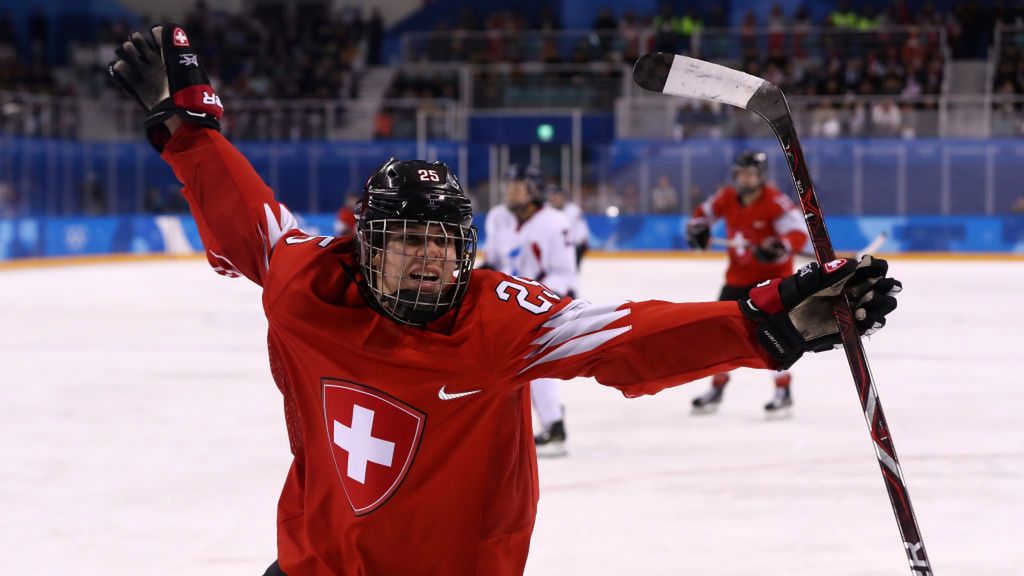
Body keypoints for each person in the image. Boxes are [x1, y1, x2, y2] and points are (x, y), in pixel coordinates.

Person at [109, 24, 902, 576]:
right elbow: (247, 212)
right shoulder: (306, 285)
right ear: (364, 246)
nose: (427, 259)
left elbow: (622, 334)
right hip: (316, 565)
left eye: (442, 243)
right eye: (406, 241)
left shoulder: (495, 320)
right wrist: (188, 130)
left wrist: (764, 318)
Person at [686, 150, 810, 417]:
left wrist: (780, 247)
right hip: (737, 279)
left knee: (774, 338)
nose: (747, 178)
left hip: (771, 283)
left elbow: (798, 232)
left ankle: (783, 390)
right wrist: (697, 228)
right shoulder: (727, 197)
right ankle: (718, 386)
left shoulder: (775, 202)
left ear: (761, 176)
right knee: (719, 334)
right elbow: (702, 214)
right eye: (743, 173)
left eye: (752, 173)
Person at [485, 165, 577, 457]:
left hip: (544, 302)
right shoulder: (498, 217)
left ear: (533, 191)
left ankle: (554, 424)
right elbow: (495, 261)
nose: (510, 191)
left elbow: (564, 274)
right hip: (506, 304)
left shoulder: (555, 222)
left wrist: (531, 295)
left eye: (518, 185)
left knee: (534, 360)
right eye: (509, 184)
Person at [545, 182, 590, 269]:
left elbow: (581, 229)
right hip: (551, 248)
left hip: (571, 248)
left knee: (568, 274)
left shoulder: (573, 210)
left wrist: (581, 244)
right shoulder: (546, 210)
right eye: (554, 196)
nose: (556, 199)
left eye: (559, 196)